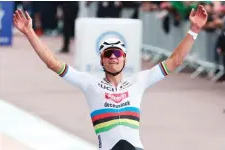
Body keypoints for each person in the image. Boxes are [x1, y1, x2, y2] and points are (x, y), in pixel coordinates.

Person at [13, 5, 208, 150]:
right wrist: (30, 32)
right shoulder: (90, 84)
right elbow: (53, 63)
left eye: (117, 54)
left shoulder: (138, 81)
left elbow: (175, 61)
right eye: (108, 54)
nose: (113, 58)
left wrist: (195, 30)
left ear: (125, 58)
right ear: (101, 60)